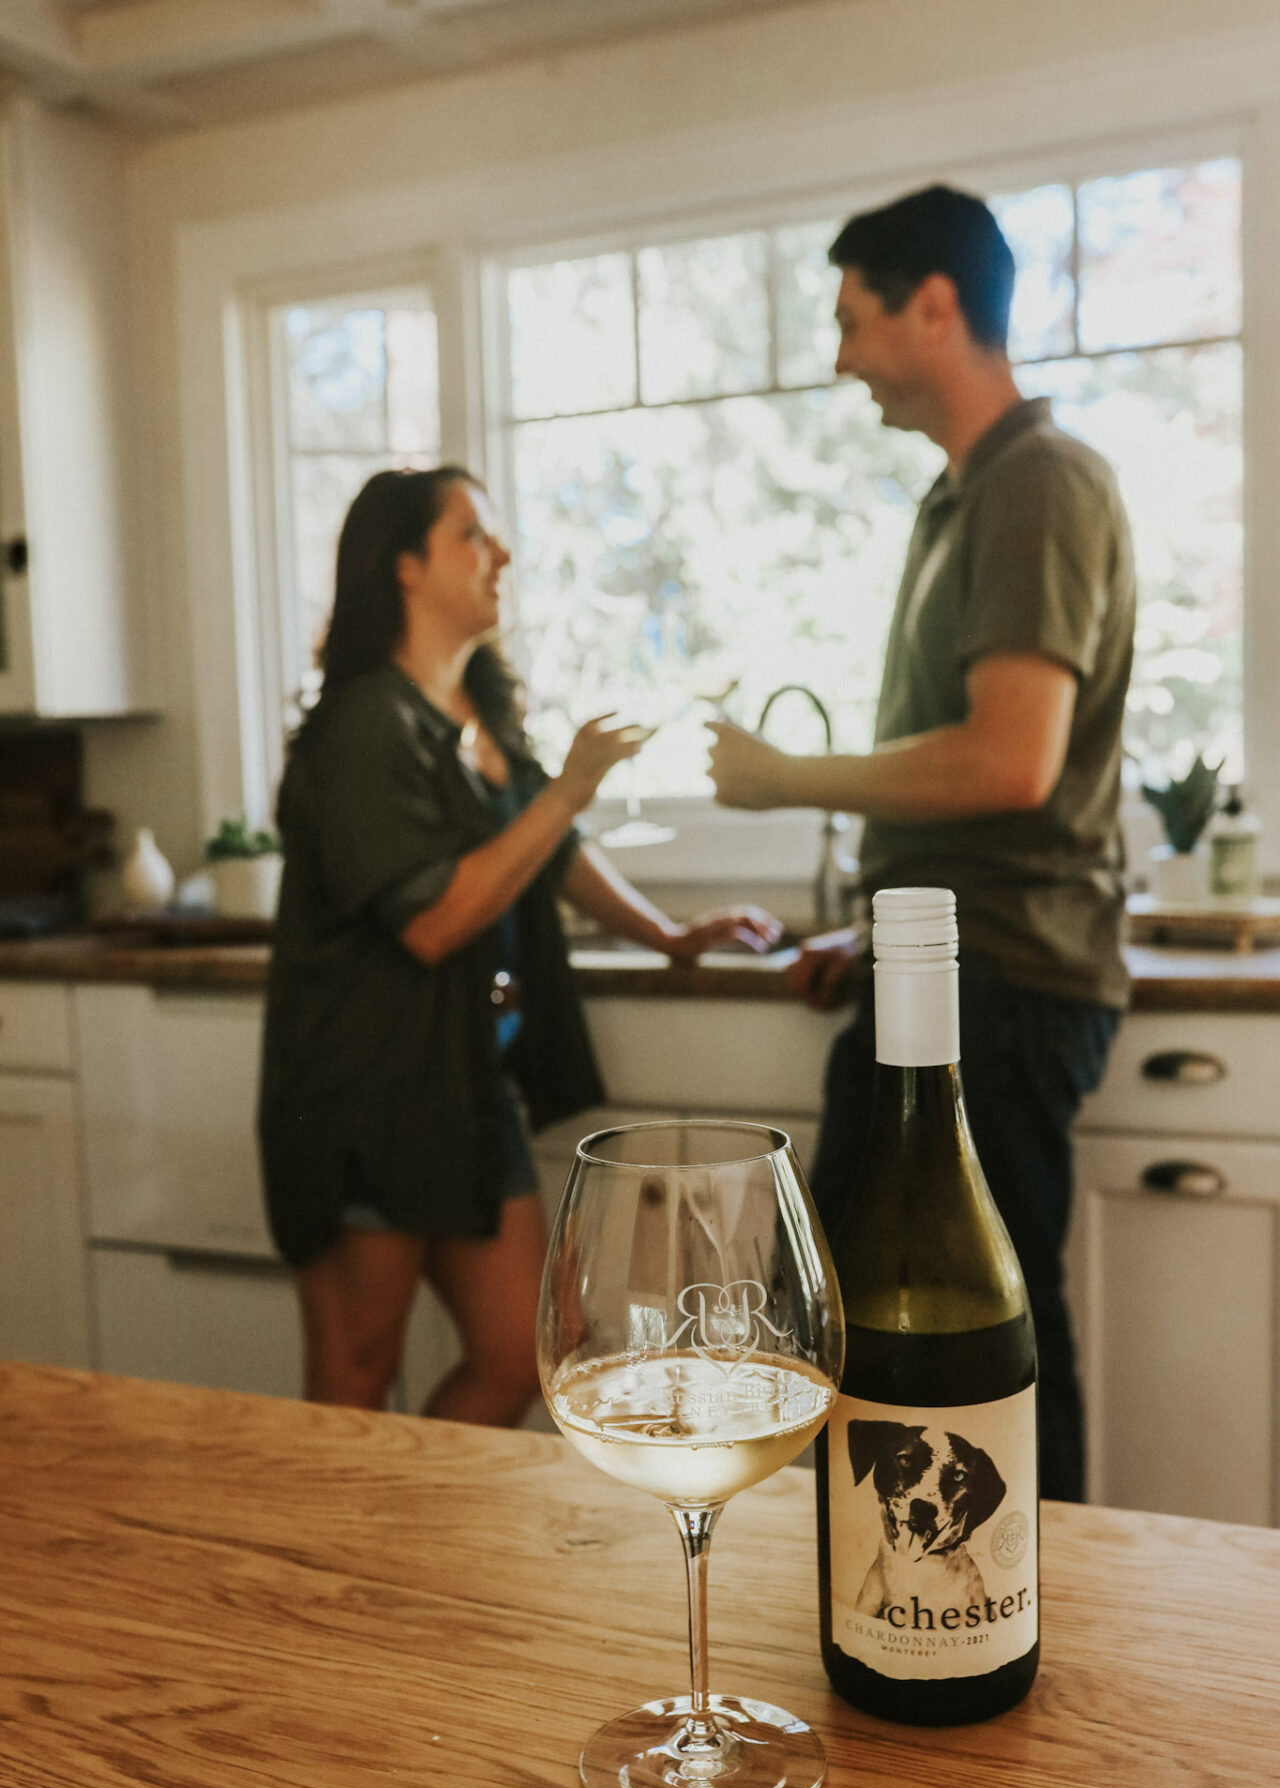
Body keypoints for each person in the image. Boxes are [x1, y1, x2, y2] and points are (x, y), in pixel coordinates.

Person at [708, 185, 1135, 1503]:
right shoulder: (963, 499)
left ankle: (1022, 1608)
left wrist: (784, 780)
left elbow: (1012, 759)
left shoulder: (1038, 487)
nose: (839, 358)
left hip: (1001, 987)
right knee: (858, 1318)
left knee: (988, 1336)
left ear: (934, 306)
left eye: (852, 320)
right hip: (953, 972)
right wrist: (881, 932)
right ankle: (895, 1600)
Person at [259, 465, 779, 1424]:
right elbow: (432, 921)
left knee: (526, 1355)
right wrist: (569, 788)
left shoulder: (479, 713)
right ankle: (340, 1569)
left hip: (461, 1095)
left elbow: (551, 853)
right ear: (403, 567)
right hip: (365, 1099)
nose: (501, 555)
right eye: (472, 535)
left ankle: (408, 1537)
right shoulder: (365, 726)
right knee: (353, 1377)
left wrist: (668, 937)